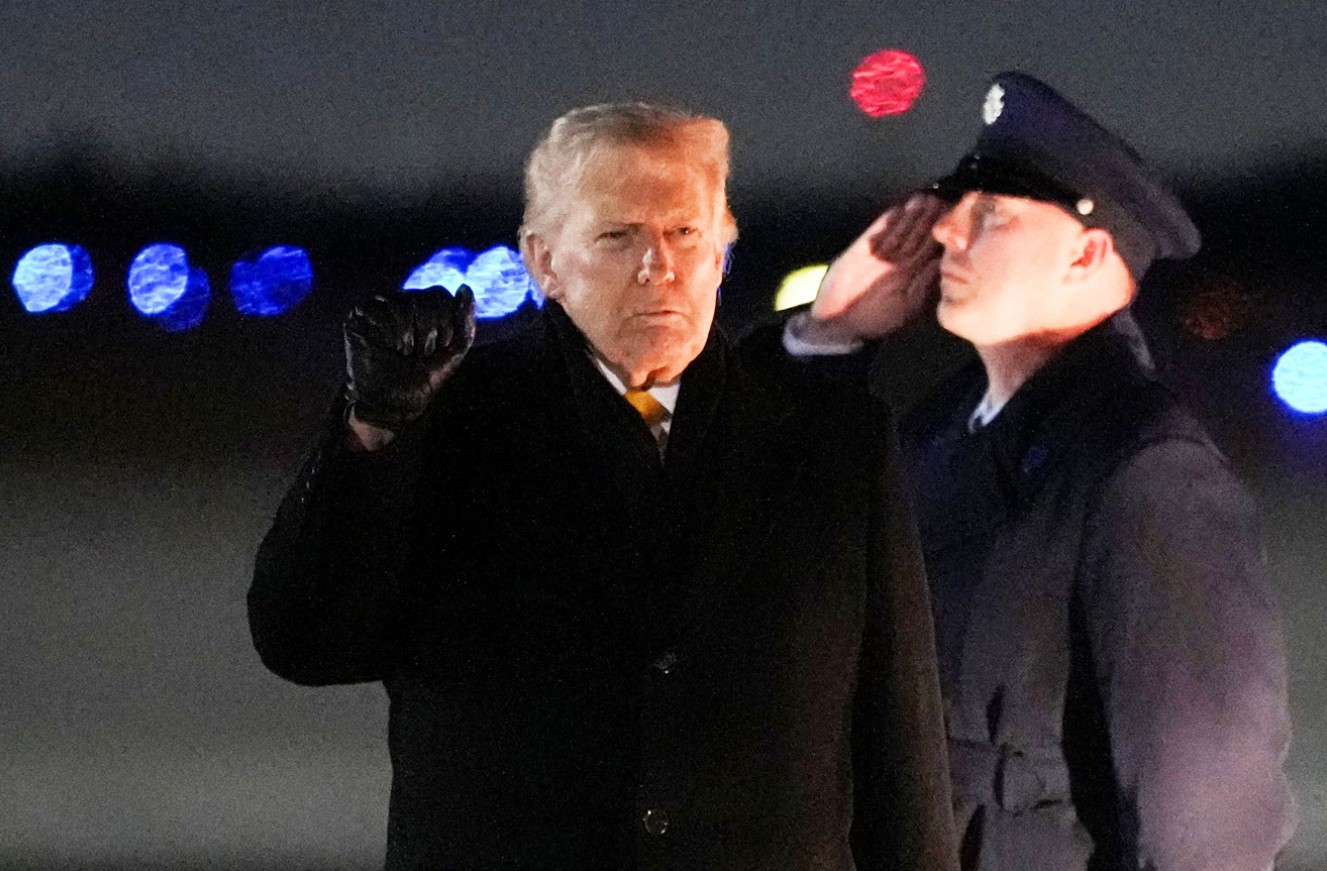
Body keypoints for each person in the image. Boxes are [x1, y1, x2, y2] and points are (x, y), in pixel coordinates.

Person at [248, 102, 957, 870]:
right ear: (543, 262)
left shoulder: (831, 440)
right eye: (618, 236)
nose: (659, 265)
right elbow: (305, 641)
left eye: (684, 232)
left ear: (722, 251)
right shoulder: (447, 420)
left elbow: (899, 756)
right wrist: (374, 430)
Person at [783, 72, 1296, 871]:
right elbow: (783, 565)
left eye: (991, 215)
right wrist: (828, 337)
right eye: (956, 206)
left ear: (1086, 254)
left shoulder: (1144, 467)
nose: (946, 230)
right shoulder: (942, 429)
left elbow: (1207, 824)